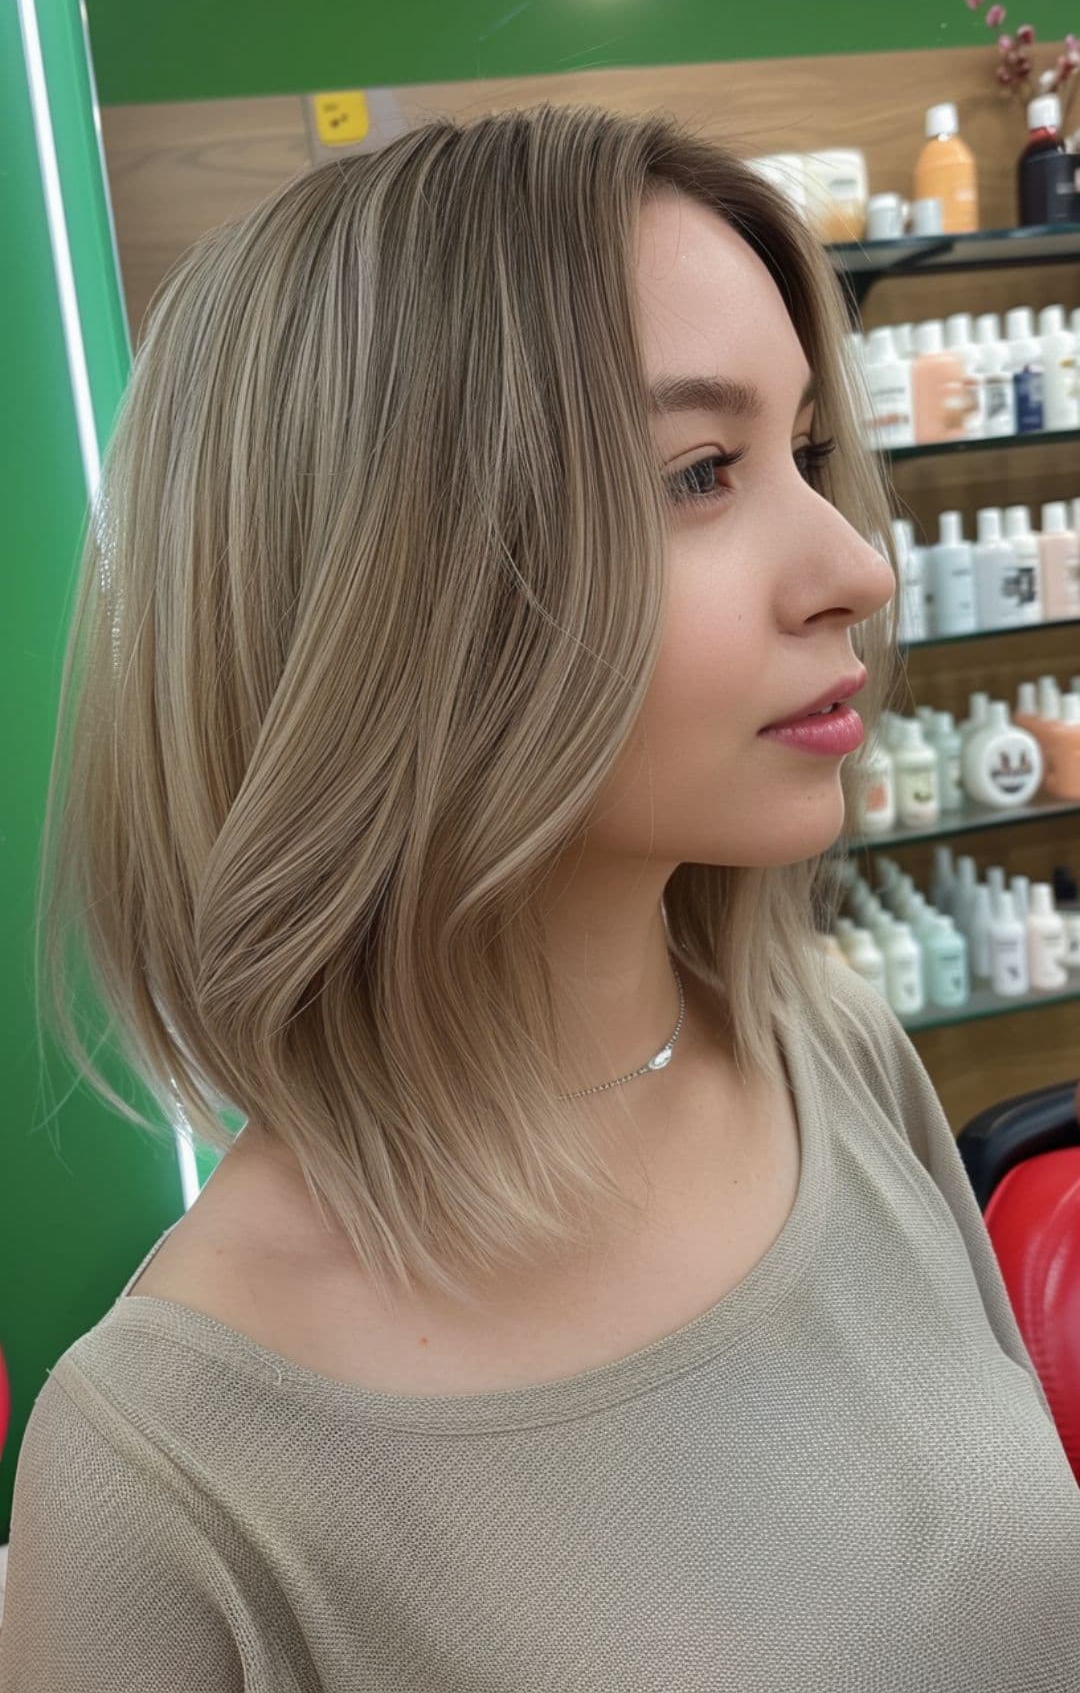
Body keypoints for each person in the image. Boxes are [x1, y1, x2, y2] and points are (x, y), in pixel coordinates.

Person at [3, 104, 1079, 1691]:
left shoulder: (829, 1059)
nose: (856, 561)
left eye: (807, 454)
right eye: (702, 471)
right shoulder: (172, 1477)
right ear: (385, 590)